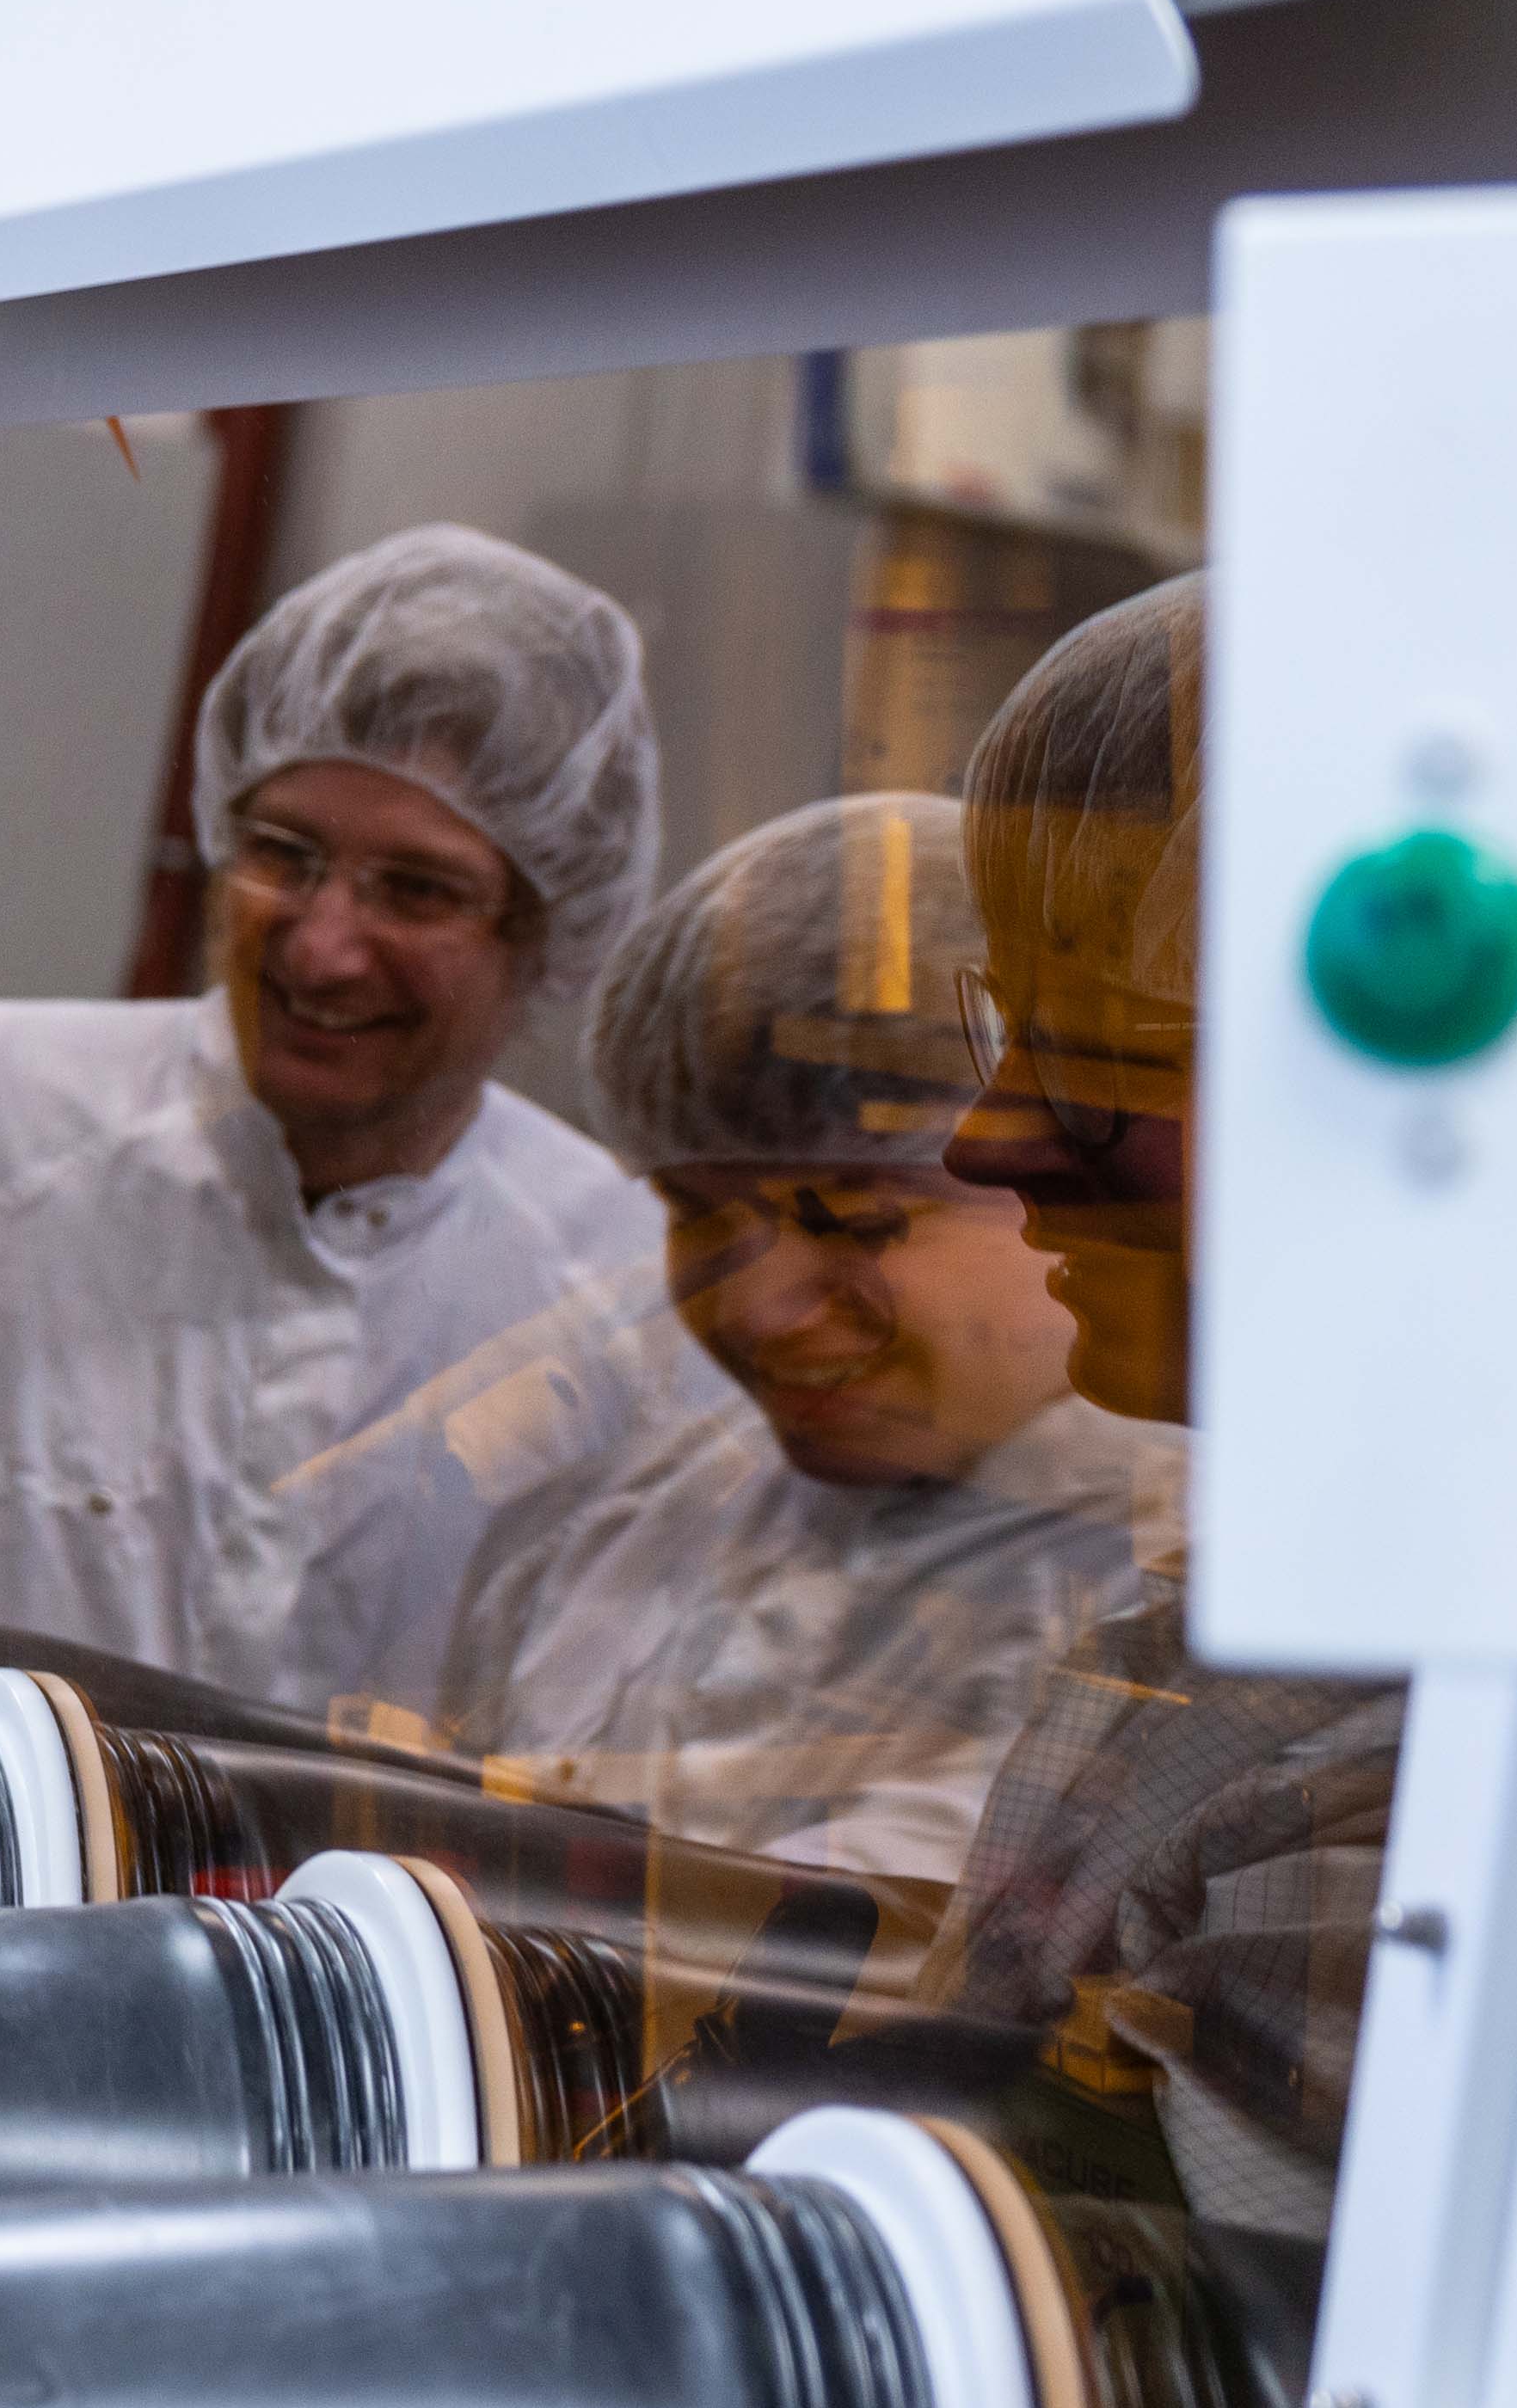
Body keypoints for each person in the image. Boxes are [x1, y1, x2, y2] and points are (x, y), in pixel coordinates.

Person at [0, 520, 672, 1723]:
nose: (323, 946)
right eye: (283, 855)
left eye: (417, 891)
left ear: (547, 934)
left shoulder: (618, 1297)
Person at [433, 795, 1174, 1877]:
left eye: (854, 1216)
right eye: (695, 1212)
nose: (755, 1308)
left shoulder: (1205, 1601)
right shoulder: (603, 1542)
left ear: (1061, 1176)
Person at [918, 575, 1397, 2233]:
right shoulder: (1276, 1621)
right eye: (1012, 1029)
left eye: (1096, 1052)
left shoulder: (1421, 1772)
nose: (986, 1138)